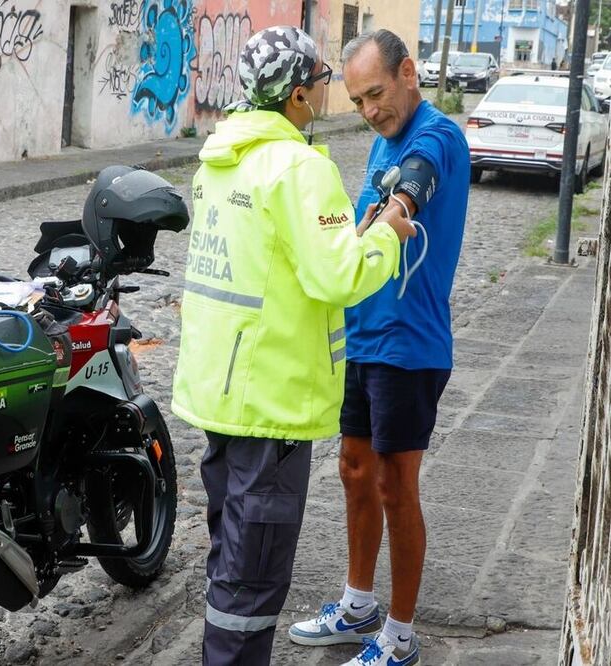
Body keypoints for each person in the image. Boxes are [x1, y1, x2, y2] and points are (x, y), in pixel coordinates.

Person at [169, 25, 415, 666]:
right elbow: (340, 278)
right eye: (324, 85)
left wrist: (349, 237)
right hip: (271, 404)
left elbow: (272, 264)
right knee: (252, 579)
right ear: (298, 95)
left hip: (218, 394)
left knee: (229, 560)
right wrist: (386, 234)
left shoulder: (218, 161)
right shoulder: (302, 168)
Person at [287, 29, 469, 666]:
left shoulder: (435, 136)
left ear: (408, 74)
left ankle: (399, 632)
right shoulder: (380, 142)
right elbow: (353, 231)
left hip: (410, 346)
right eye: (359, 99)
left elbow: (408, 191)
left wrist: (384, 214)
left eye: (377, 94)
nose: (368, 110)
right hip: (363, 338)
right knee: (354, 471)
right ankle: (357, 603)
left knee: (397, 485)